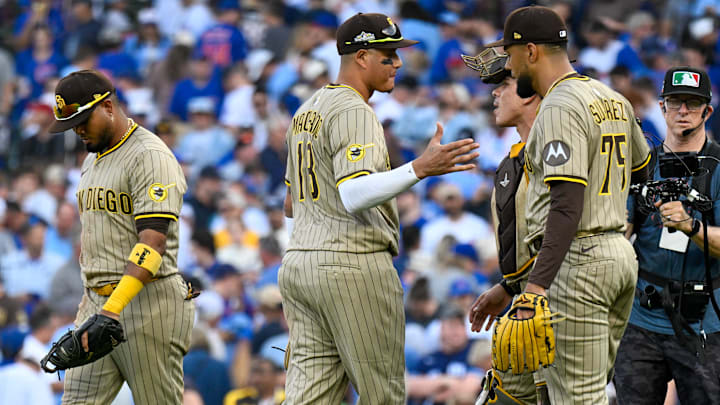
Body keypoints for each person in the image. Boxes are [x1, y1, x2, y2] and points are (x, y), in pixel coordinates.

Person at [280, 13, 480, 404]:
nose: (398, 63)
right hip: (351, 265)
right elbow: (353, 194)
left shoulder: (306, 110)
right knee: (382, 395)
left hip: (300, 263)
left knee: (310, 395)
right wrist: (419, 168)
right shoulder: (355, 110)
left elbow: (291, 203)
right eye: (388, 55)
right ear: (361, 56)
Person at [478, 6, 651, 404]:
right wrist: (621, 234)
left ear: (532, 52)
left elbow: (566, 204)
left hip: (577, 261)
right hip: (618, 257)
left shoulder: (558, 105)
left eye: (511, 54)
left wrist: (535, 286)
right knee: (571, 390)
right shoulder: (611, 98)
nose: (510, 63)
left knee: (575, 399)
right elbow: (643, 176)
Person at [47, 69, 195, 404]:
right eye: (73, 124)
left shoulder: (149, 155)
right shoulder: (92, 159)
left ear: (109, 106)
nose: (79, 130)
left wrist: (111, 311)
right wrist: (96, 308)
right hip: (97, 305)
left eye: (84, 119)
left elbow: (153, 242)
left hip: (148, 304)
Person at [614, 66, 720, 403]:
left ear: (707, 111)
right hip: (643, 315)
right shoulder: (642, 166)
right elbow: (621, 233)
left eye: (692, 103)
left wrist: (692, 226)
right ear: (662, 107)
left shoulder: (718, 169)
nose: (683, 112)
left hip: (704, 320)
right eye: (675, 103)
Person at [463, 47, 543, 403]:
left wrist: (528, 292)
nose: (494, 93)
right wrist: (509, 287)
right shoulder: (511, 161)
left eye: (504, 83)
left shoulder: (559, 153)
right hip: (527, 300)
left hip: (563, 301)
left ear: (531, 90)